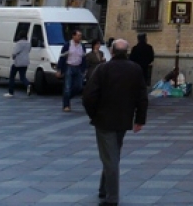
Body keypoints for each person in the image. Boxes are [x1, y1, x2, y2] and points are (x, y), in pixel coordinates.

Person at [83, 39, 148, 206]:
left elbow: (89, 96)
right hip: (124, 119)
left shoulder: (103, 69)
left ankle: (112, 198)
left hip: (104, 120)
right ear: (126, 51)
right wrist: (140, 119)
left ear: (112, 51)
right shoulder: (135, 69)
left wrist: (93, 114)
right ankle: (103, 189)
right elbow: (142, 96)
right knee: (113, 154)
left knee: (110, 157)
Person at [59, 29, 85, 112]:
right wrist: (60, 69)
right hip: (69, 66)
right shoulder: (68, 45)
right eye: (78, 35)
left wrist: (84, 69)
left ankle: (67, 97)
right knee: (67, 87)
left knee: (79, 86)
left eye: (80, 36)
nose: (79, 37)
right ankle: (66, 105)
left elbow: (84, 58)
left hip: (78, 67)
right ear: (73, 36)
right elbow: (62, 57)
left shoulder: (82, 46)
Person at [5, 28, 32, 98]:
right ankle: (28, 84)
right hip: (26, 62)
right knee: (22, 77)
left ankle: (11, 92)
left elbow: (14, 52)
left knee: (12, 76)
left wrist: (13, 57)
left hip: (18, 62)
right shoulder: (28, 43)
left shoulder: (19, 43)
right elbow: (29, 51)